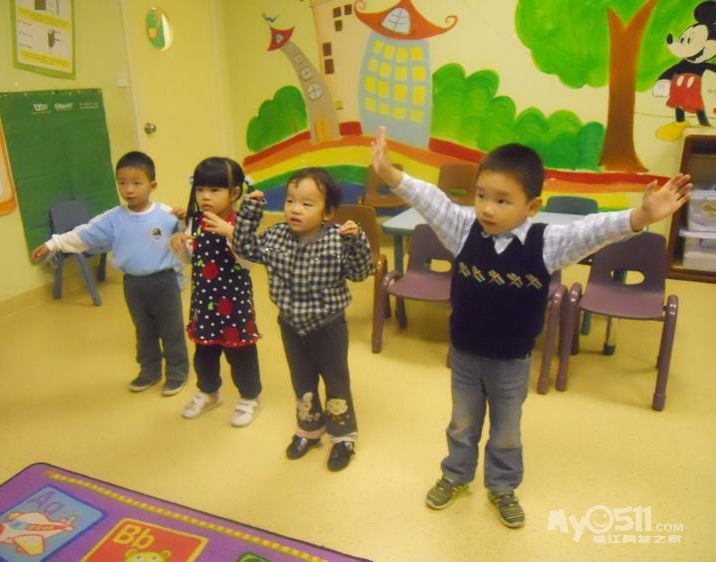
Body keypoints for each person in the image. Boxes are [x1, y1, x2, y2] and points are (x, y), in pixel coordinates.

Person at [371, 126, 692, 528]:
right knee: (462, 424)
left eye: (502, 200)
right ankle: (456, 475)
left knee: (506, 432)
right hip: (465, 355)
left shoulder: (546, 244)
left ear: (533, 206)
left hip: (511, 362)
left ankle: (503, 486)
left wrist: (641, 216)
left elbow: (592, 230)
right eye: (481, 196)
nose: (487, 209)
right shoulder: (463, 231)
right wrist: (390, 174)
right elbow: (431, 200)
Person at [227, 167, 373, 471]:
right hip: (291, 325)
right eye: (290, 200)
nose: (295, 209)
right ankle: (309, 428)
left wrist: (357, 241)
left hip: (328, 326)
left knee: (336, 382)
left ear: (327, 212)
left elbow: (360, 273)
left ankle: (343, 437)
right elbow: (244, 248)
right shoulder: (276, 236)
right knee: (302, 380)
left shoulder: (336, 240)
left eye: (307, 204)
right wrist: (250, 212)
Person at [31, 151, 189, 396]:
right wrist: (54, 244)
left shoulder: (166, 215)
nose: (129, 189)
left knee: (172, 331)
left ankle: (177, 373)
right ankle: (150, 372)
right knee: (144, 331)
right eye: (122, 183)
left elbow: (188, 238)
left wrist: (186, 221)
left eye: (137, 183)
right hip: (134, 284)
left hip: (164, 282)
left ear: (153, 185)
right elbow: (84, 234)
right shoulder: (114, 218)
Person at [170, 157, 262, 427]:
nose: (205, 196)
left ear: (234, 193)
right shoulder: (196, 221)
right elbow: (191, 259)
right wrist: (179, 246)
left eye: (214, 190)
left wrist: (231, 233)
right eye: (200, 189)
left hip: (234, 303)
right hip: (204, 301)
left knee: (241, 353)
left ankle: (250, 397)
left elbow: (249, 262)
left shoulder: (241, 222)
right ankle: (209, 392)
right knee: (205, 350)